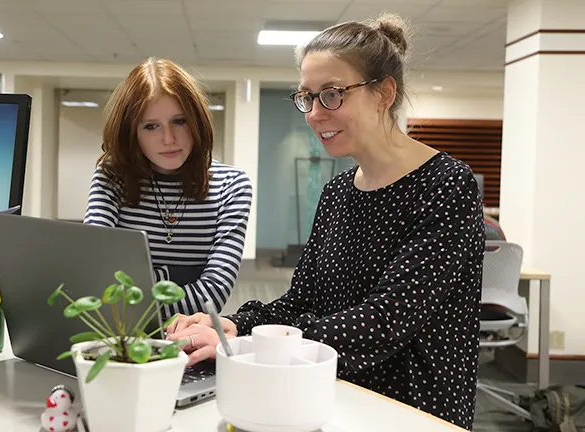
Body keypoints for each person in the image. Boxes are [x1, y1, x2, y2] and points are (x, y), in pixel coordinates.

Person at [166, 13, 485, 431]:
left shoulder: (446, 185)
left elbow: (384, 321)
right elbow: (301, 301)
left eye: (332, 94)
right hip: (332, 397)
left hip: (411, 410)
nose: (314, 114)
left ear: (384, 94)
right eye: (307, 97)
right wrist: (232, 323)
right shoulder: (338, 194)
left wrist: (250, 342)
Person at [83, 57, 253, 318]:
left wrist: (141, 284)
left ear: (196, 121)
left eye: (180, 121)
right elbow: (95, 278)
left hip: (188, 340)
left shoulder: (231, 187)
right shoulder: (111, 177)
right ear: (131, 132)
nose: (169, 139)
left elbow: (212, 296)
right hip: (122, 340)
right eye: (151, 126)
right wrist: (178, 275)